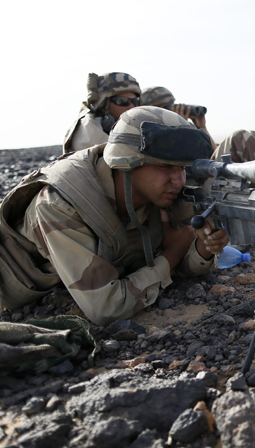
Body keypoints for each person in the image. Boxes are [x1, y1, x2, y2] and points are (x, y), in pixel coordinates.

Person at [0, 106, 229, 326]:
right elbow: (106, 308)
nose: (178, 180)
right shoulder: (61, 204)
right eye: (165, 166)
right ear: (127, 163)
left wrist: (204, 248)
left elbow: (180, 267)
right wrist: (172, 254)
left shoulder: (157, 193)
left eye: (182, 168)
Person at [141, 86, 255, 163]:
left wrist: (202, 128)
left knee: (253, 136)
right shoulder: (151, 138)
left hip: (210, 172)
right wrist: (180, 128)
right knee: (239, 137)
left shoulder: (188, 129)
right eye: (166, 108)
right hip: (195, 186)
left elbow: (213, 155)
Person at [63, 72, 141, 154]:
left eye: (135, 101)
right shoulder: (89, 133)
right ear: (103, 106)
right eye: (122, 101)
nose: (132, 107)